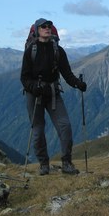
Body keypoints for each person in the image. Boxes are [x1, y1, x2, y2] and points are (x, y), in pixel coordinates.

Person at [21, 18, 87, 175]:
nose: (47, 28)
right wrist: (33, 87)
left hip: (52, 93)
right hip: (34, 95)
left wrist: (78, 84)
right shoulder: (31, 50)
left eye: (49, 26)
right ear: (37, 30)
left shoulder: (58, 51)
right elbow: (24, 77)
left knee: (65, 126)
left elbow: (67, 74)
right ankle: (44, 164)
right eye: (43, 26)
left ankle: (67, 163)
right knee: (38, 130)